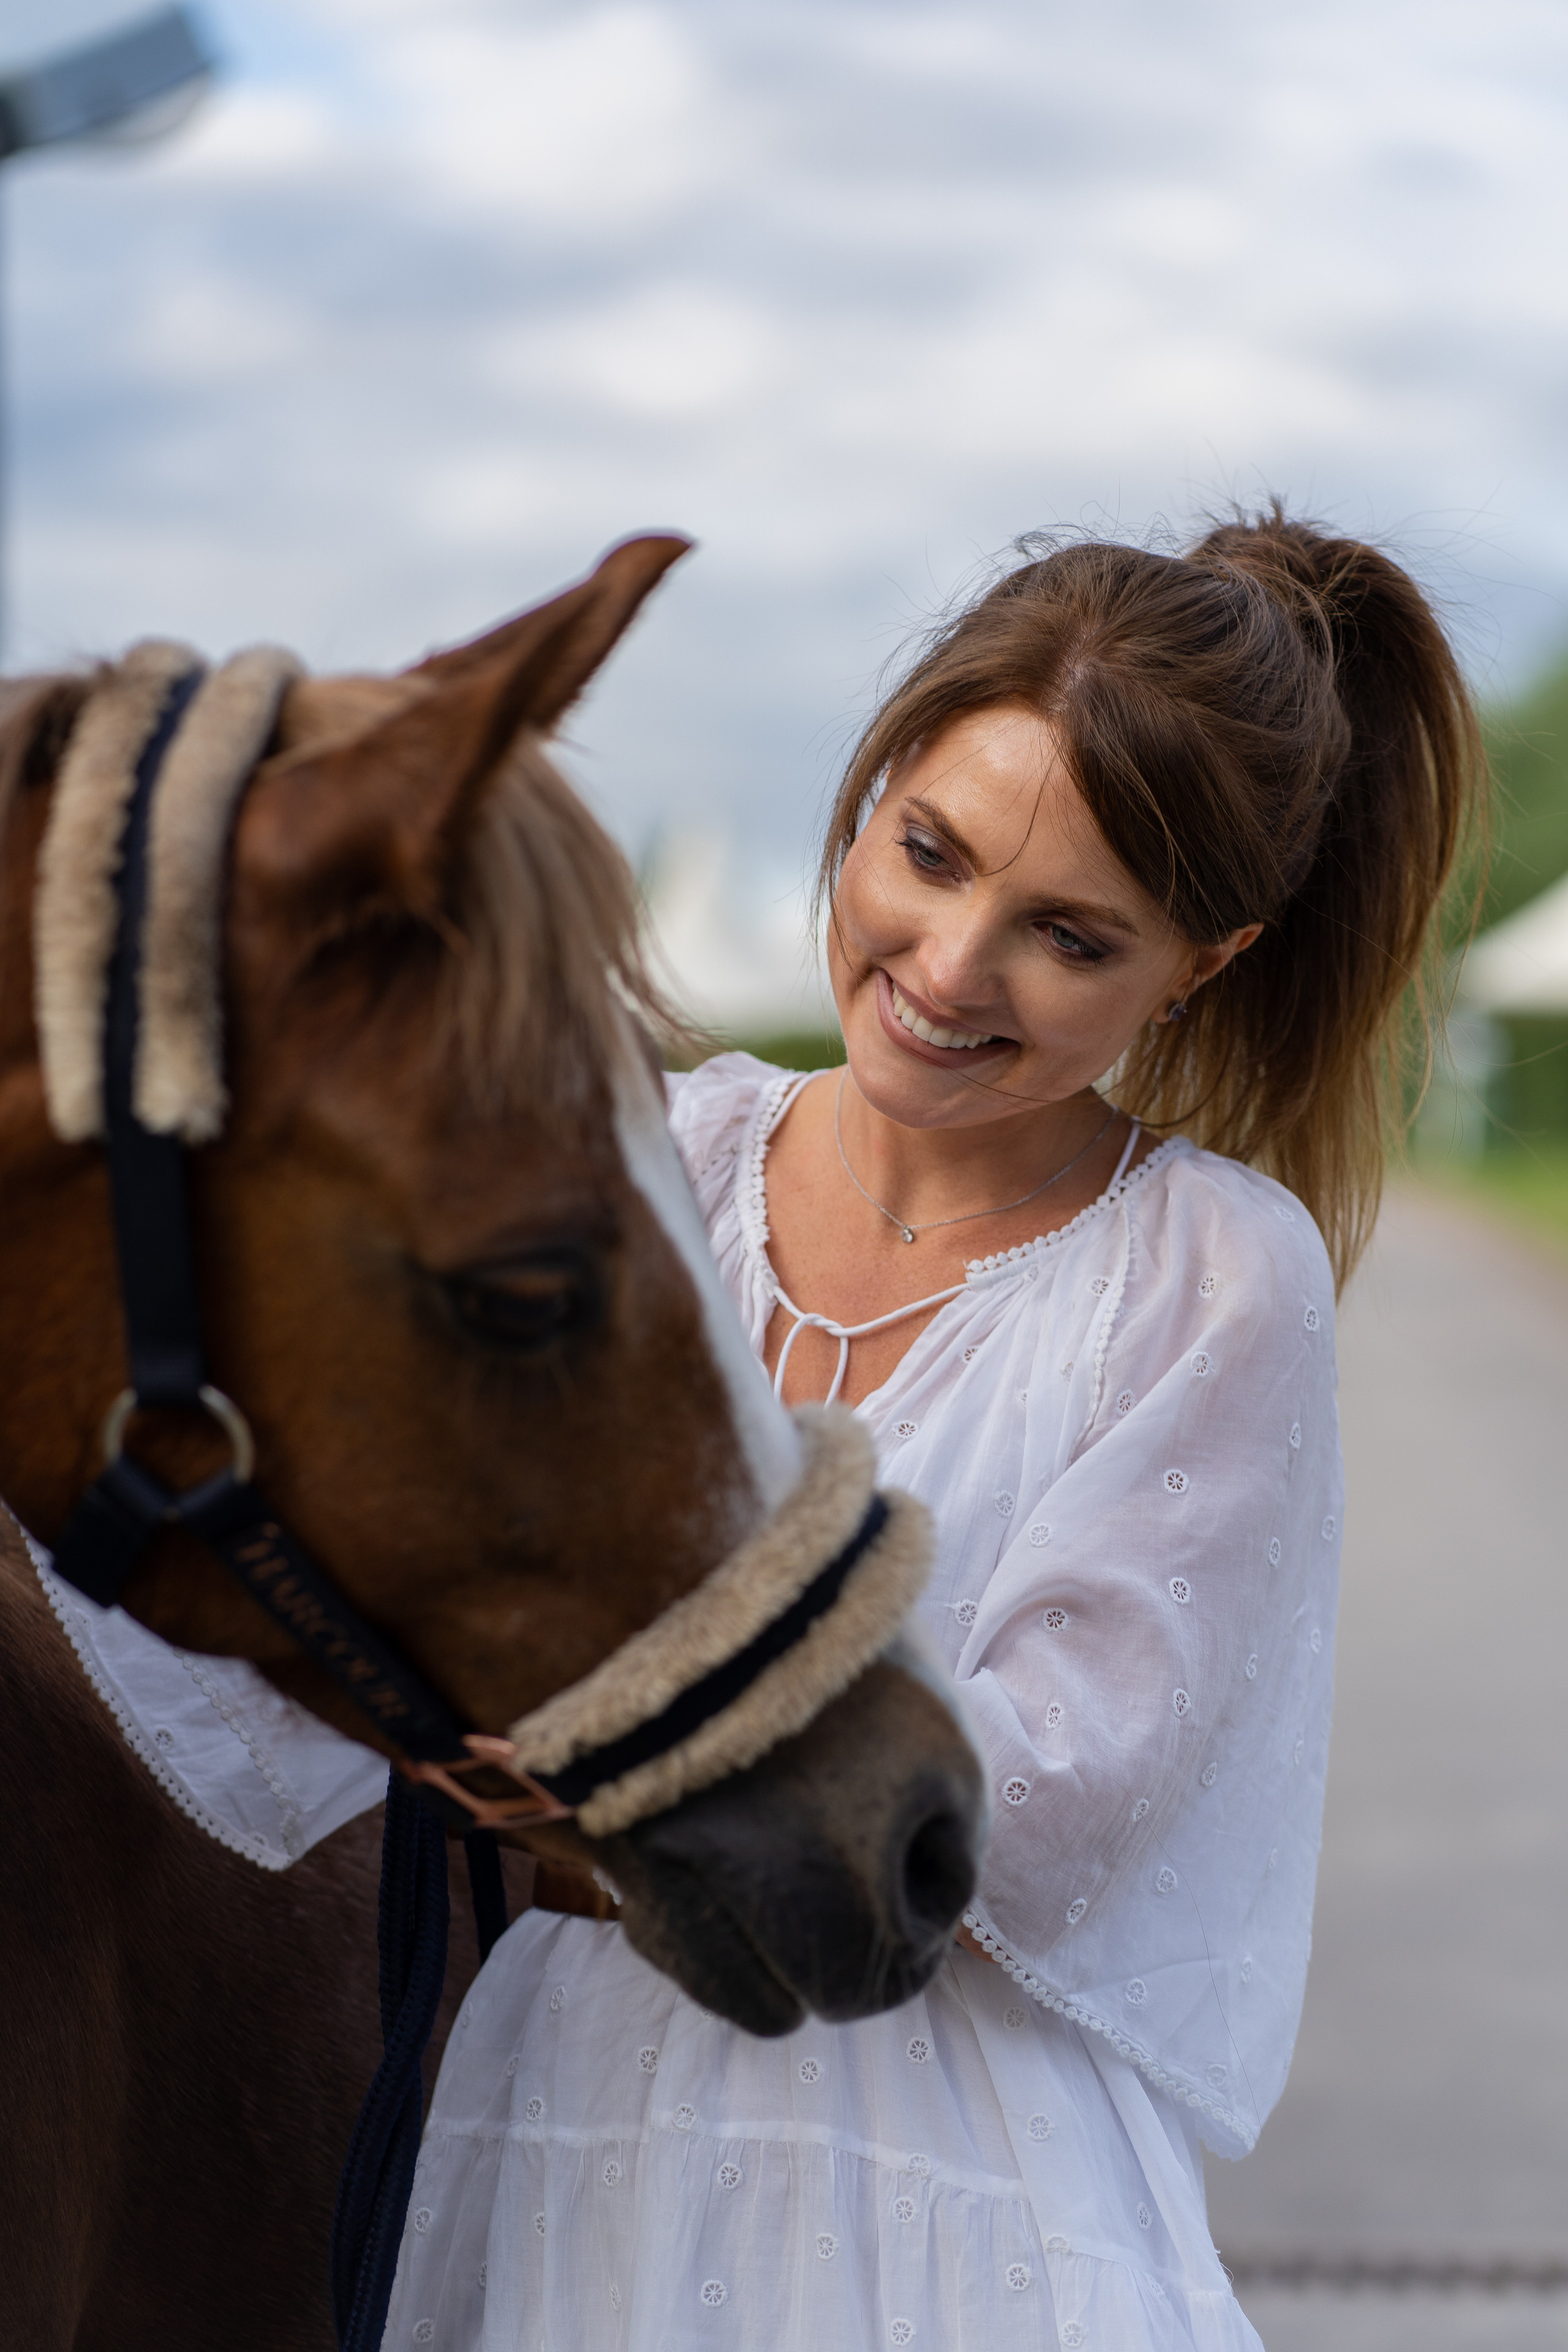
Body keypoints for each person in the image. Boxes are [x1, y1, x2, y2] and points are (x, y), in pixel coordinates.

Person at [387, 510, 1482, 2350]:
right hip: (564, 2101)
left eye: (1068, 935)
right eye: (929, 852)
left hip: (933, 2186)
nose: (953, 965)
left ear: (1199, 963)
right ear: (880, 778)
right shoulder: (656, 1162)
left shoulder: (1211, 1273)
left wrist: (624, 1782)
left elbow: (1042, 1796)